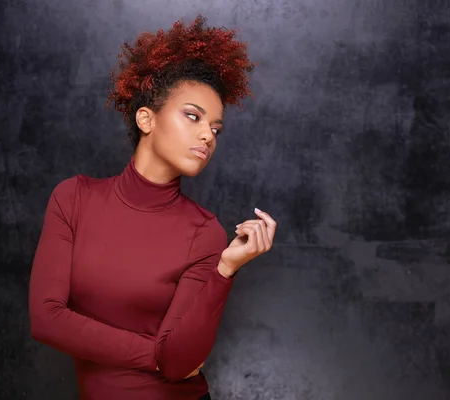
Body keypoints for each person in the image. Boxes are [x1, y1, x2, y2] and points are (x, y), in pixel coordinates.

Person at [28, 15, 276, 400]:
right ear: (146, 118)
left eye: (216, 128)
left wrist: (226, 268)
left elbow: (180, 366)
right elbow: (46, 319)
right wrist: (154, 355)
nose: (207, 135)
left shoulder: (205, 233)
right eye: (193, 116)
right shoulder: (73, 198)